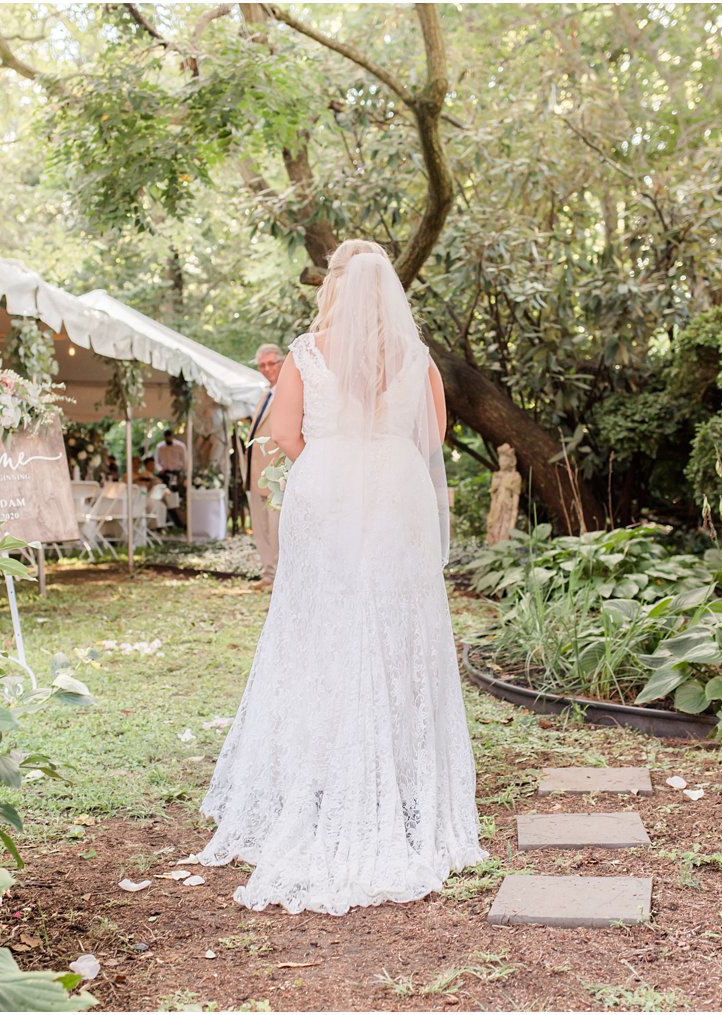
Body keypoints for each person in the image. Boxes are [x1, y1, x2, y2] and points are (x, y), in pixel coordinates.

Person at [195, 239, 486, 915]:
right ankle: (399, 772)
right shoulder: (418, 359)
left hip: (325, 489)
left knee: (320, 622)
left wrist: (333, 456)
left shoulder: (306, 352)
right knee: (392, 620)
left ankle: (322, 768)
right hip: (396, 490)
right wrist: (378, 449)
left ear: (336, 286)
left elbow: (287, 433)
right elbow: (431, 439)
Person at [239, 343, 285, 590]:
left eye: (271, 364)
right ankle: (268, 574)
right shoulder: (265, 394)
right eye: (262, 365)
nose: (267, 369)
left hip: (275, 474)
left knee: (276, 528)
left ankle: (278, 577)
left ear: (282, 363)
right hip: (255, 473)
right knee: (260, 527)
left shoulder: (287, 393)